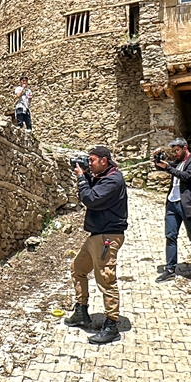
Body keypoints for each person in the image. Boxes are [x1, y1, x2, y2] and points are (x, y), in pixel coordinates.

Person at [63, 146, 128, 345]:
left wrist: (81, 178)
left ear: (104, 160)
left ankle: (111, 326)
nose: (89, 163)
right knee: (78, 268)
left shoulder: (113, 180)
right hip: (97, 236)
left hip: (107, 236)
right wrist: (87, 175)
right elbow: (94, 190)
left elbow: (91, 199)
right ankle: (81, 311)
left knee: (106, 280)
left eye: (91, 160)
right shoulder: (104, 176)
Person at [154, 137, 191, 284]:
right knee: (170, 236)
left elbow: (187, 176)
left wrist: (168, 168)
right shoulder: (177, 162)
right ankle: (170, 269)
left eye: (177, 150)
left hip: (186, 204)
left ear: (185, 148)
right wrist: (157, 158)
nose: (175, 154)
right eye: (173, 151)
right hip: (172, 204)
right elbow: (162, 167)